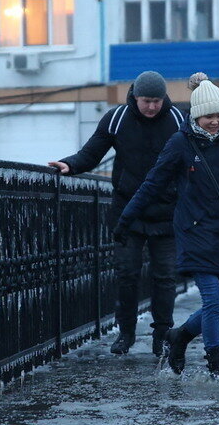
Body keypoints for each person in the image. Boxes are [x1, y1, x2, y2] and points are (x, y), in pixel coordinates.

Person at [115, 74, 219, 380]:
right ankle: (216, 366)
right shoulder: (180, 143)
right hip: (194, 231)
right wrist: (126, 219)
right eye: (210, 116)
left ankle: (179, 336)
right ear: (196, 114)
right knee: (211, 302)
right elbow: (152, 184)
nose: (215, 122)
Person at [48, 70, 187, 356]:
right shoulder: (116, 118)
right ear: (135, 97)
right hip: (128, 212)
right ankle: (125, 333)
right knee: (126, 274)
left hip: (167, 212)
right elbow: (91, 153)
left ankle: (162, 334)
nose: (151, 107)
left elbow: (194, 158)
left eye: (157, 101)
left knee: (165, 277)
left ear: (164, 100)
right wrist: (69, 165)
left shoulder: (177, 120)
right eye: (146, 100)